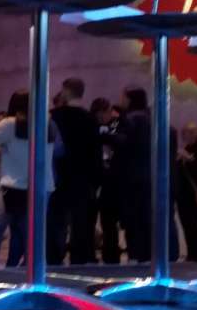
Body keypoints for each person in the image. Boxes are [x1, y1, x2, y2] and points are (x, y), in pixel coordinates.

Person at [0, 90, 57, 269]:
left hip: (12, 185)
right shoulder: (48, 123)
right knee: (31, 232)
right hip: (42, 186)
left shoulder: (9, 124)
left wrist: (1, 144)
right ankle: (33, 267)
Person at [48, 77, 102, 265]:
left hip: (59, 176)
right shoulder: (90, 118)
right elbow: (96, 151)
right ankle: (80, 258)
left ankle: (54, 256)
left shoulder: (55, 116)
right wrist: (96, 179)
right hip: (83, 177)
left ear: (65, 91)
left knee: (56, 220)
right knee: (81, 222)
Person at [106, 87, 153, 263]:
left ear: (130, 99)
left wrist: (108, 131)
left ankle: (134, 253)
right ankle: (146, 254)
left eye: (123, 97)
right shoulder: (150, 120)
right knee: (145, 216)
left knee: (131, 218)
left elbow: (119, 140)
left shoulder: (129, 119)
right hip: (147, 174)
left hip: (129, 175)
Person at [175, 122, 197, 263]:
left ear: (196, 134)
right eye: (184, 134)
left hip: (194, 193)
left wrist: (188, 159)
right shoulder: (185, 149)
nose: (186, 136)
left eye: (189, 133)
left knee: (194, 223)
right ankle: (190, 254)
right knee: (186, 224)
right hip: (182, 192)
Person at [93, 98, 123, 264]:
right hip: (103, 179)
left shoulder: (111, 128)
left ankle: (110, 253)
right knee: (106, 220)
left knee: (108, 220)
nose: (111, 115)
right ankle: (109, 253)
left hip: (108, 181)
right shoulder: (99, 130)